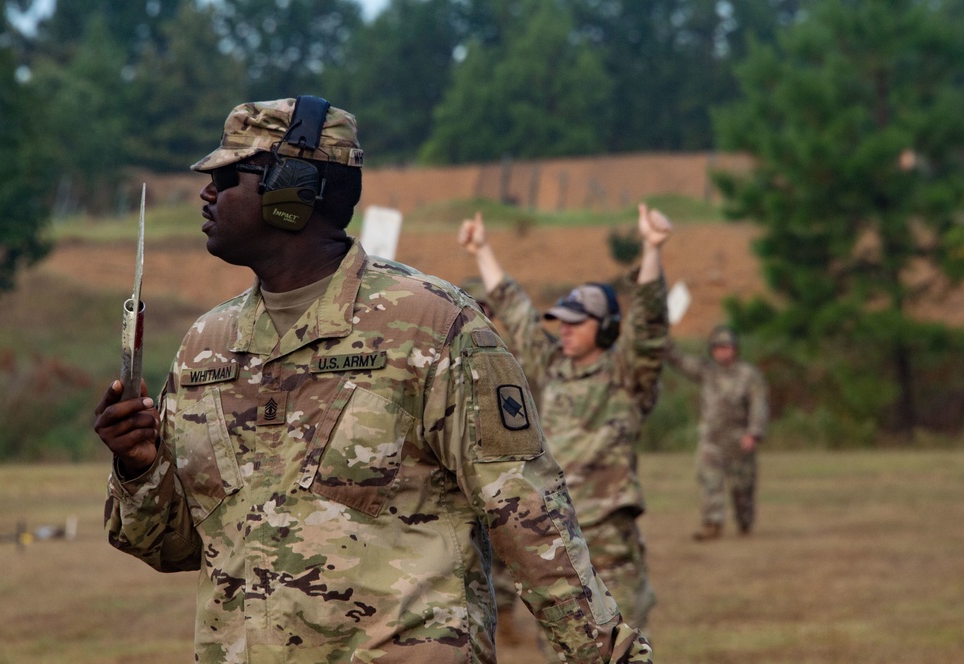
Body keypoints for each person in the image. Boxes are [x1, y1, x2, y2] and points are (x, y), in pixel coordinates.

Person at [93, 95, 652, 664]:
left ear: (292, 190)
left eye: (229, 175)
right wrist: (139, 467)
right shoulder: (206, 349)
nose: (207, 194)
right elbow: (174, 546)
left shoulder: (432, 327)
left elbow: (532, 522)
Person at [457, 205, 671, 631]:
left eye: (577, 322)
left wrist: (652, 248)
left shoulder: (626, 375)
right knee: (564, 646)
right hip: (556, 534)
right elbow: (517, 315)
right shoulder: (552, 365)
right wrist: (482, 251)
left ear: (606, 327)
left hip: (608, 537)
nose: (565, 329)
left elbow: (648, 324)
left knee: (619, 646)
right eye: (561, 322)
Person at [667, 325, 769, 540]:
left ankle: (745, 521)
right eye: (717, 347)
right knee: (709, 480)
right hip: (711, 439)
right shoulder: (706, 372)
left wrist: (754, 433)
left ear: (735, 349)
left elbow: (759, 405)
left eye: (726, 347)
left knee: (743, 488)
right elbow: (678, 361)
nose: (722, 352)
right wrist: (663, 337)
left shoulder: (749, 375)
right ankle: (712, 523)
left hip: (739, 438)